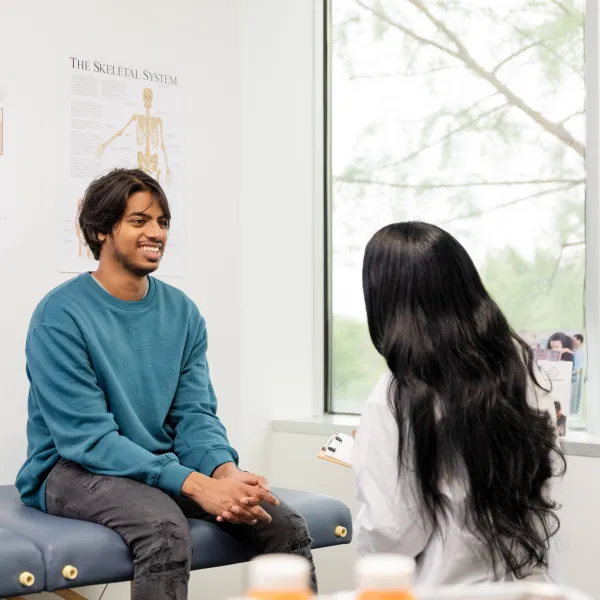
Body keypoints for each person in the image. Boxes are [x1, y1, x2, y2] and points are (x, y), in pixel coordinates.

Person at [16, 168, 316, 600]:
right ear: (101, 231)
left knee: (281, 523)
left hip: (155, 460)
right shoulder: (59, 316)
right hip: (67, 468)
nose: (155, 232)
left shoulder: (183, 312)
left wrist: (225, 472)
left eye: (162, 222)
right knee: (163, 528)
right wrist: (196, 484)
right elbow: (88, 440)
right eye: (139, 221)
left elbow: (194, 415)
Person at [353, 222, 565, 586]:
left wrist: (368, 456)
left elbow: (391, 537)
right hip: (530, 589)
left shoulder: (397, 394)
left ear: (385, 302)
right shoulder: (526, 374)